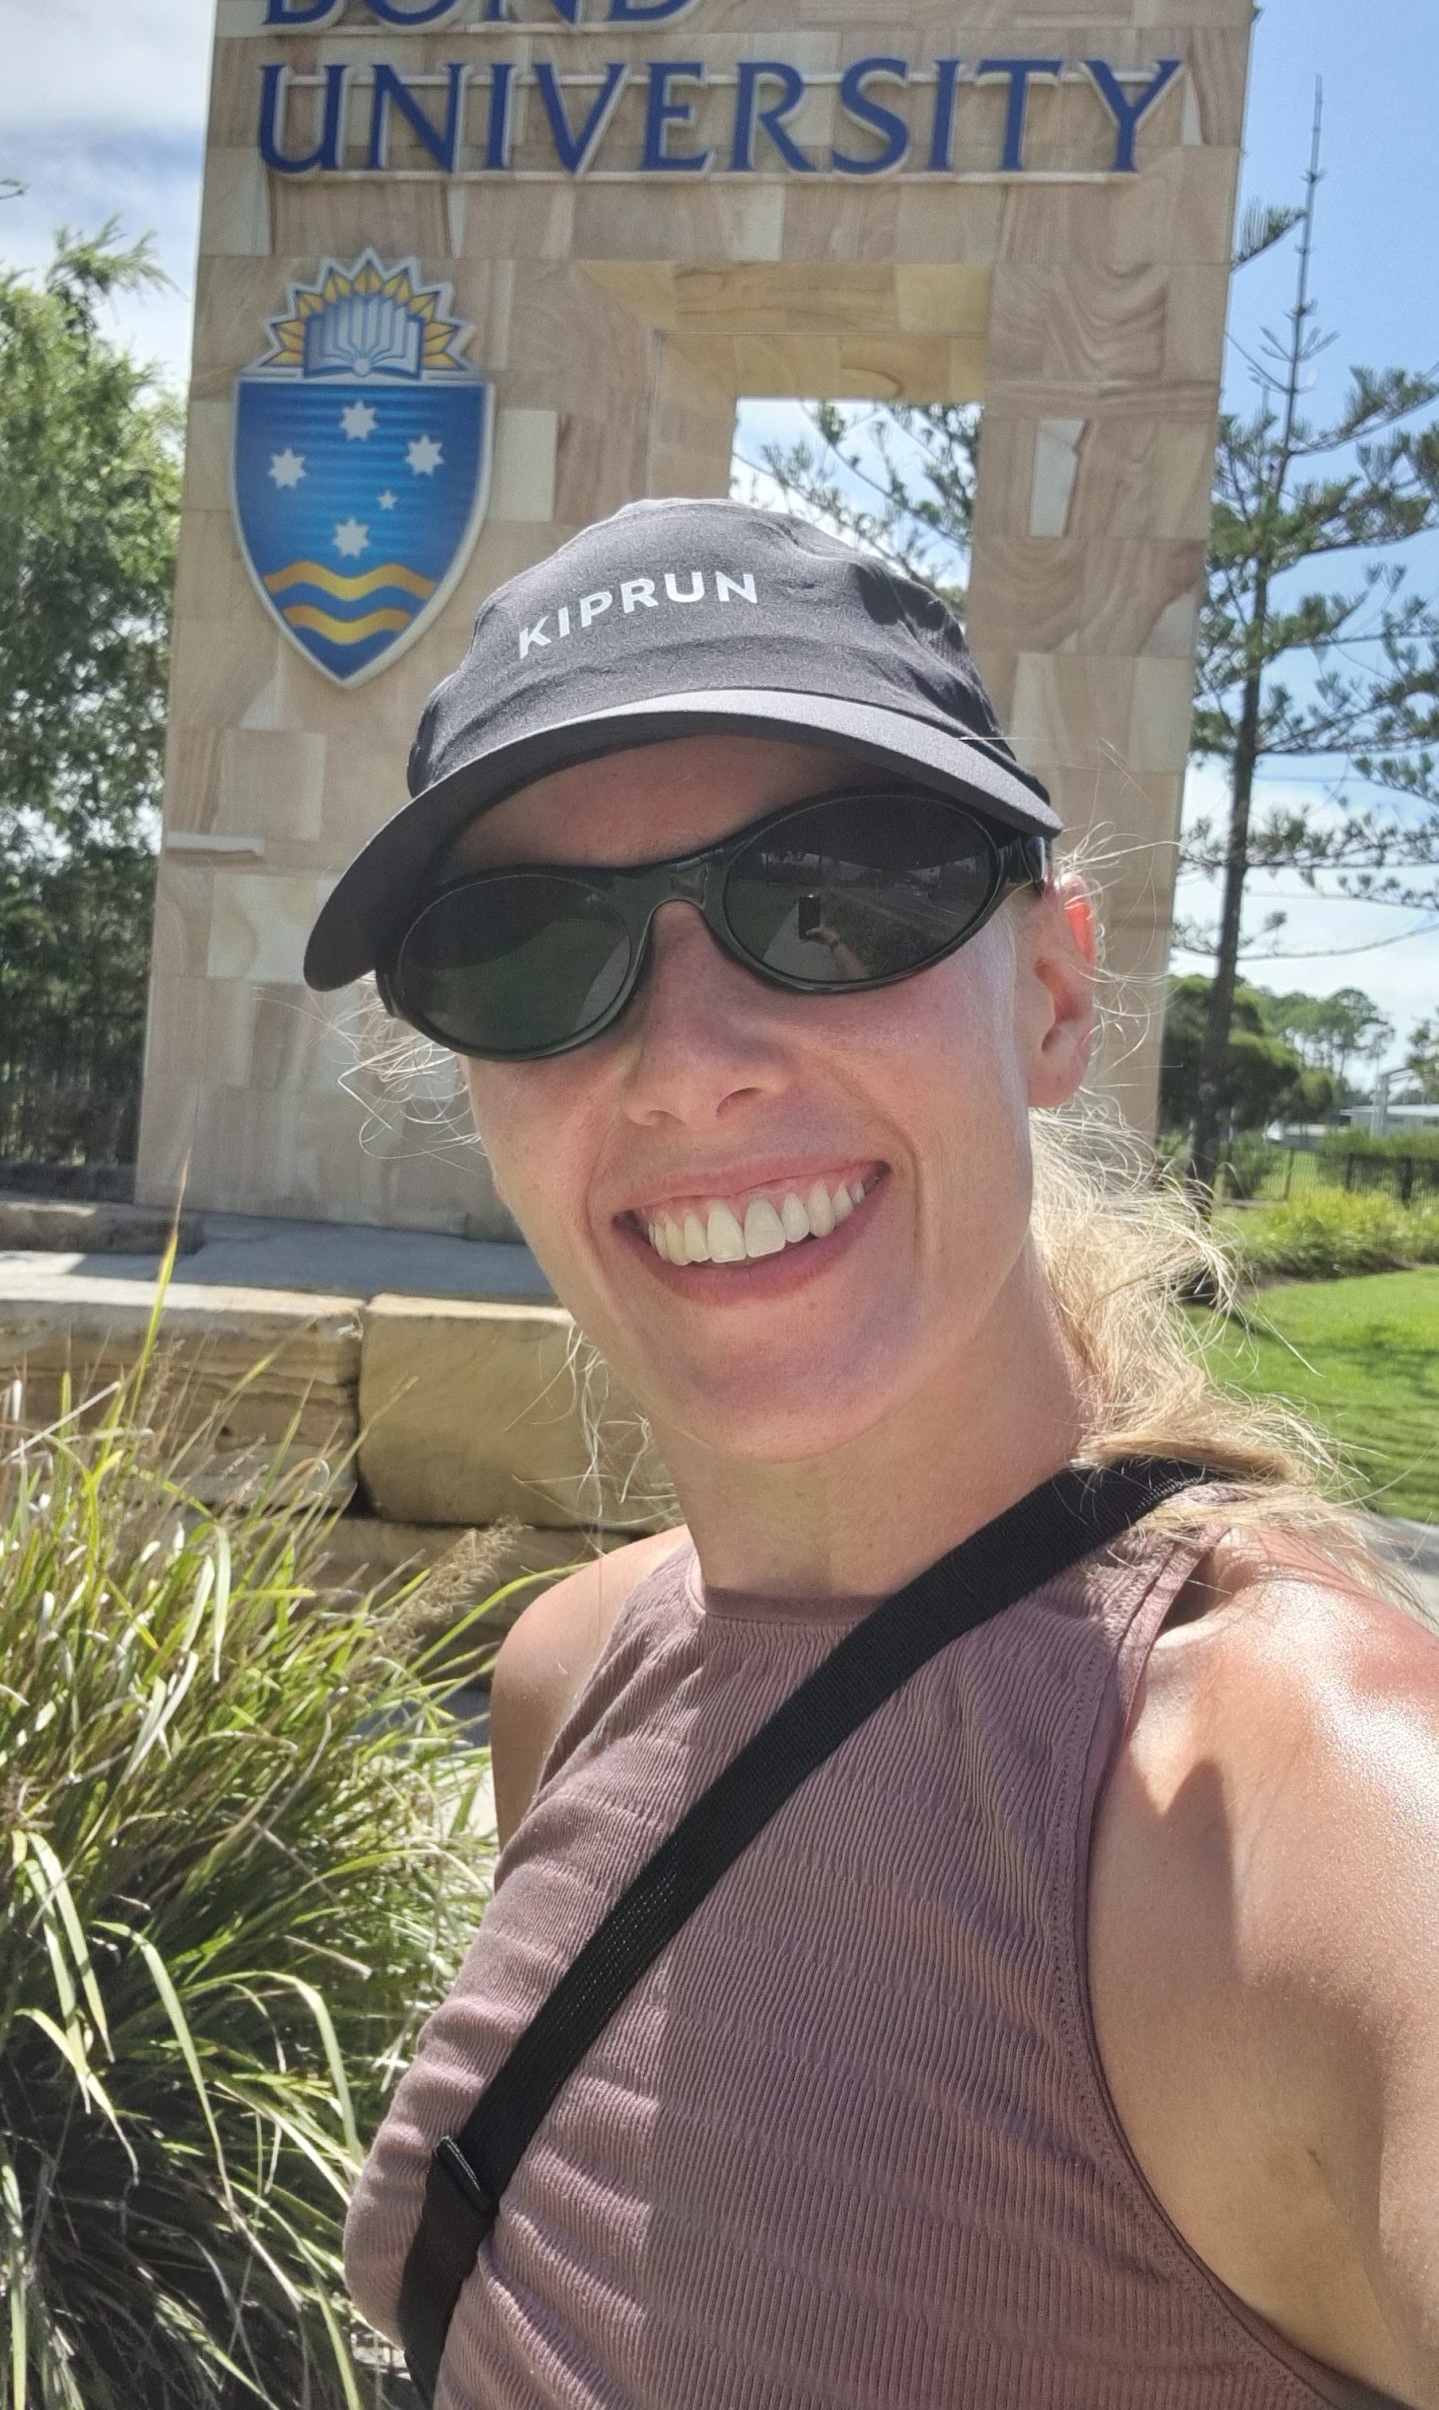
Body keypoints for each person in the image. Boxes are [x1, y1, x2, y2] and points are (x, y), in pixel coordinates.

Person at [305, 499, 1439, 2410]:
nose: (690, 1061)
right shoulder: (574, 1673)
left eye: (835, 900)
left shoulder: (1301, 1817)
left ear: (1054, 997)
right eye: (526, 950)